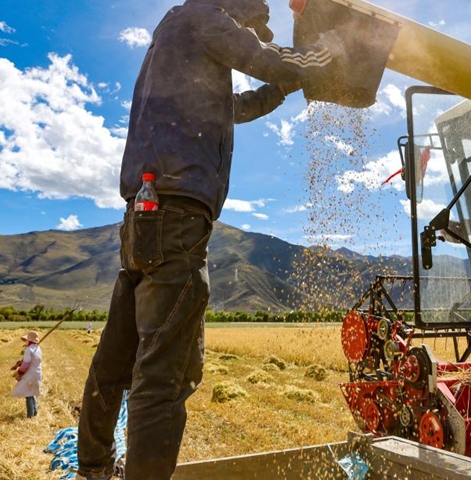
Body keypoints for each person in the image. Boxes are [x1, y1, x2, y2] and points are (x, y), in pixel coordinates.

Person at [75, 1, 345, 479]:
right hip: (177, 219)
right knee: (165, 378)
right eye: (247, 20)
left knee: (114, 362)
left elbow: (231, 108)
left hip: (143, 218)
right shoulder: (202, 17)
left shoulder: (175, 35)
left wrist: (280, 89)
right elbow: (268, 57)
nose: (249, 29)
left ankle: (94, 470)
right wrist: (326, 53)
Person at [11, 330, 42, 418]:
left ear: (30, 340)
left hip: (30, 374)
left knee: (27, 394)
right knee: (31, 392)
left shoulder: (28, 349)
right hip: (37, 373)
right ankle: (35, 411)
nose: (25, 342)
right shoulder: (38, 348)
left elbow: (26, 364)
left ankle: (30, 415)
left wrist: (19, 372)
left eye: (26, 340)